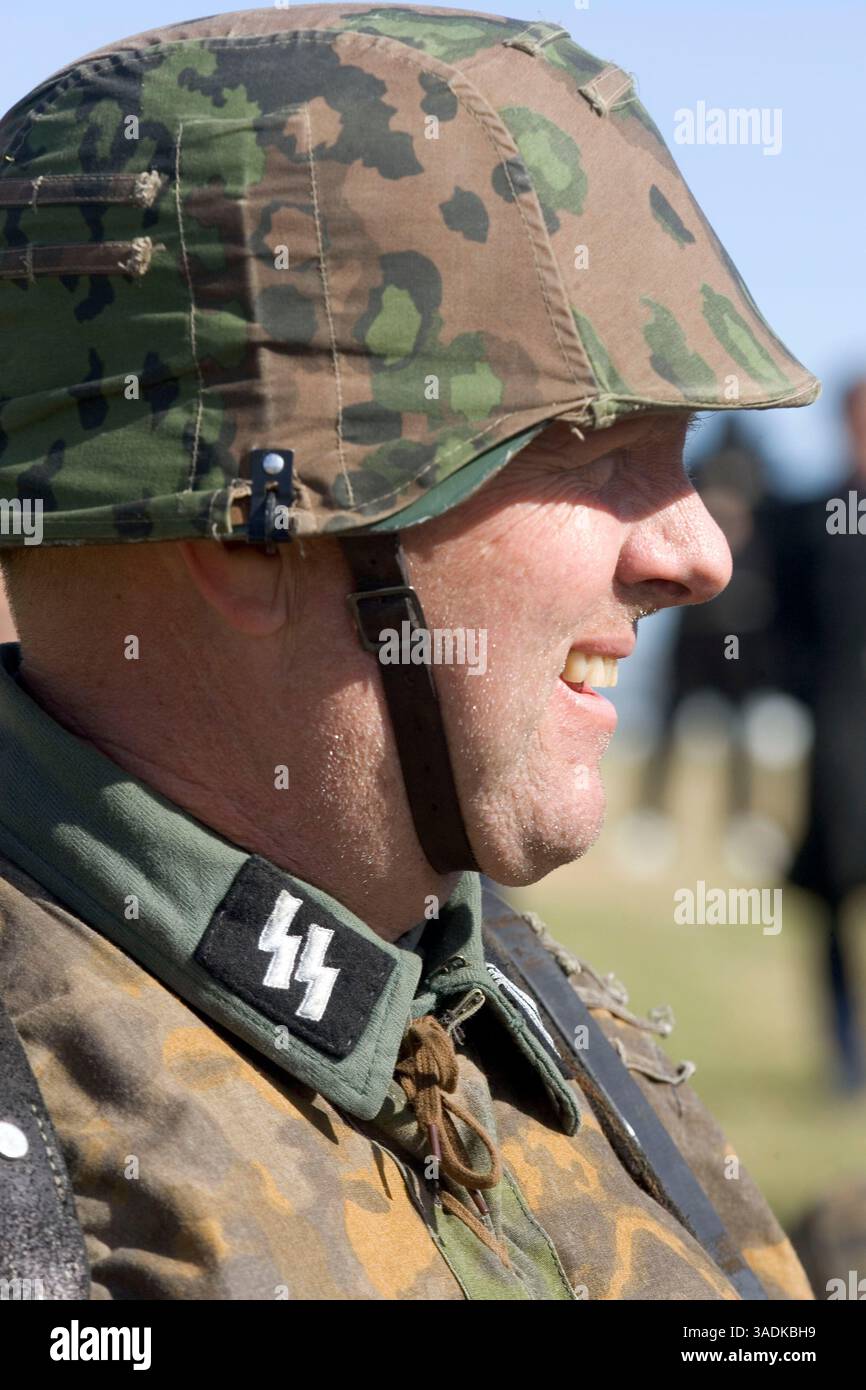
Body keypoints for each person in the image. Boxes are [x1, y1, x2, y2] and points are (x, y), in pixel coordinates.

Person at [0, 5, 820, 1300]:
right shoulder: (49, 1179)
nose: (693, 554)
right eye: (592, 455)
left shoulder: (518, 1017)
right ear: (261, 537)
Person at [774, 377, 866, 1090]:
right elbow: (778, 620)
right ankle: (844, 1055)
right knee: (832, 891)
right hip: (836, 731)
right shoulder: (811, 516)